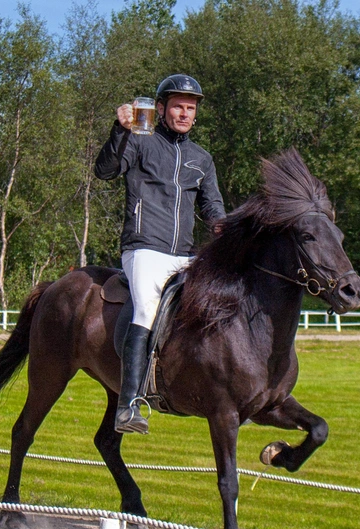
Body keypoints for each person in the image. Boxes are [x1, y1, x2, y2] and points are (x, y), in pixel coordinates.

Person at [94, 74, 226, 435]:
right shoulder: (141, 141)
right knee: (147, 309)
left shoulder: (203, 158)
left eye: (191, 108)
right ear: (163, 108)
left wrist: (225, 230)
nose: (184, 113)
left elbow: (213, 207)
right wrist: (120, 130)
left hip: (184, 255)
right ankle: (129, 404)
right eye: (178, 106)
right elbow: (104, 170)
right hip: (143, 249)